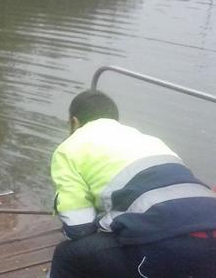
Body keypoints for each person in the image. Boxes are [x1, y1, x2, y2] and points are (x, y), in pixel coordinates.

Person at [50, 89, 216, 278]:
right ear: (115, 119)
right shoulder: (150, 140)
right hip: (211, 235)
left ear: (74, 122)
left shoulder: (69, 148)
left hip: (164, 247)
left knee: (68, 255)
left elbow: (79, 228)